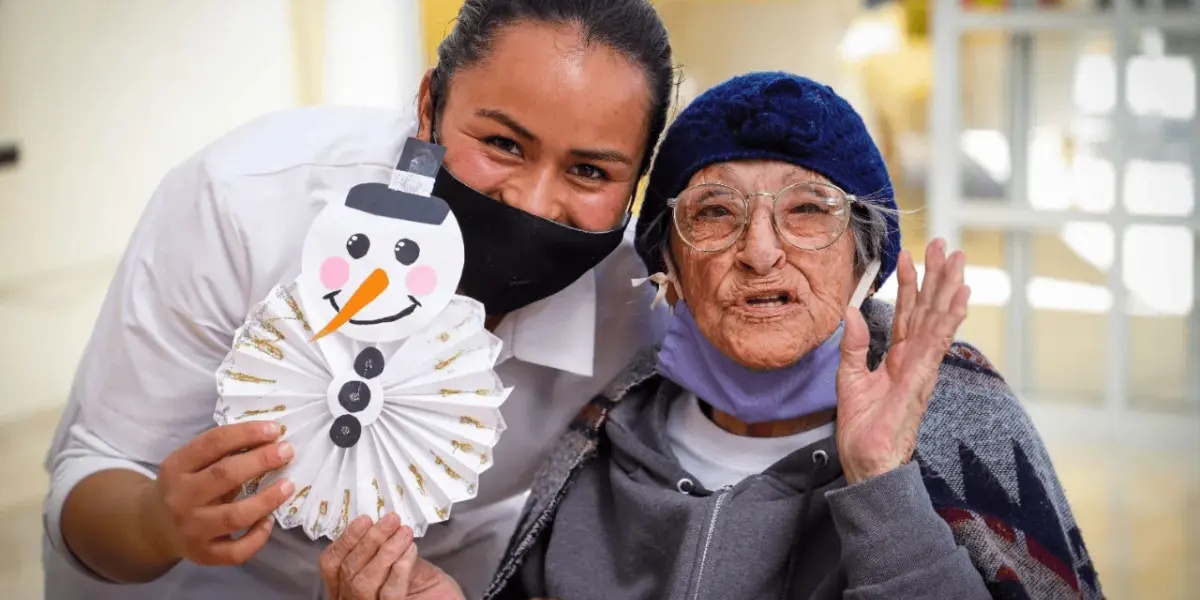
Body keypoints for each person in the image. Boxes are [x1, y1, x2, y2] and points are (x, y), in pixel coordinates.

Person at [350, 72, 1101, 599]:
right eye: (714, 213)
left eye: (809, 210)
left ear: (865, 254)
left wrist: (881, 482)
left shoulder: (966, 421)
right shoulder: (603, 436)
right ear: (667, 262)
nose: (761, 251)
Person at [41, 2, 674, 599]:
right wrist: (158, 523)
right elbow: (95, 474)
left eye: (590, 172)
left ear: (638, 179)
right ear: (429, 106)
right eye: (503, 144)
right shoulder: (245, 203)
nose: (533, 203)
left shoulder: (638, 305)